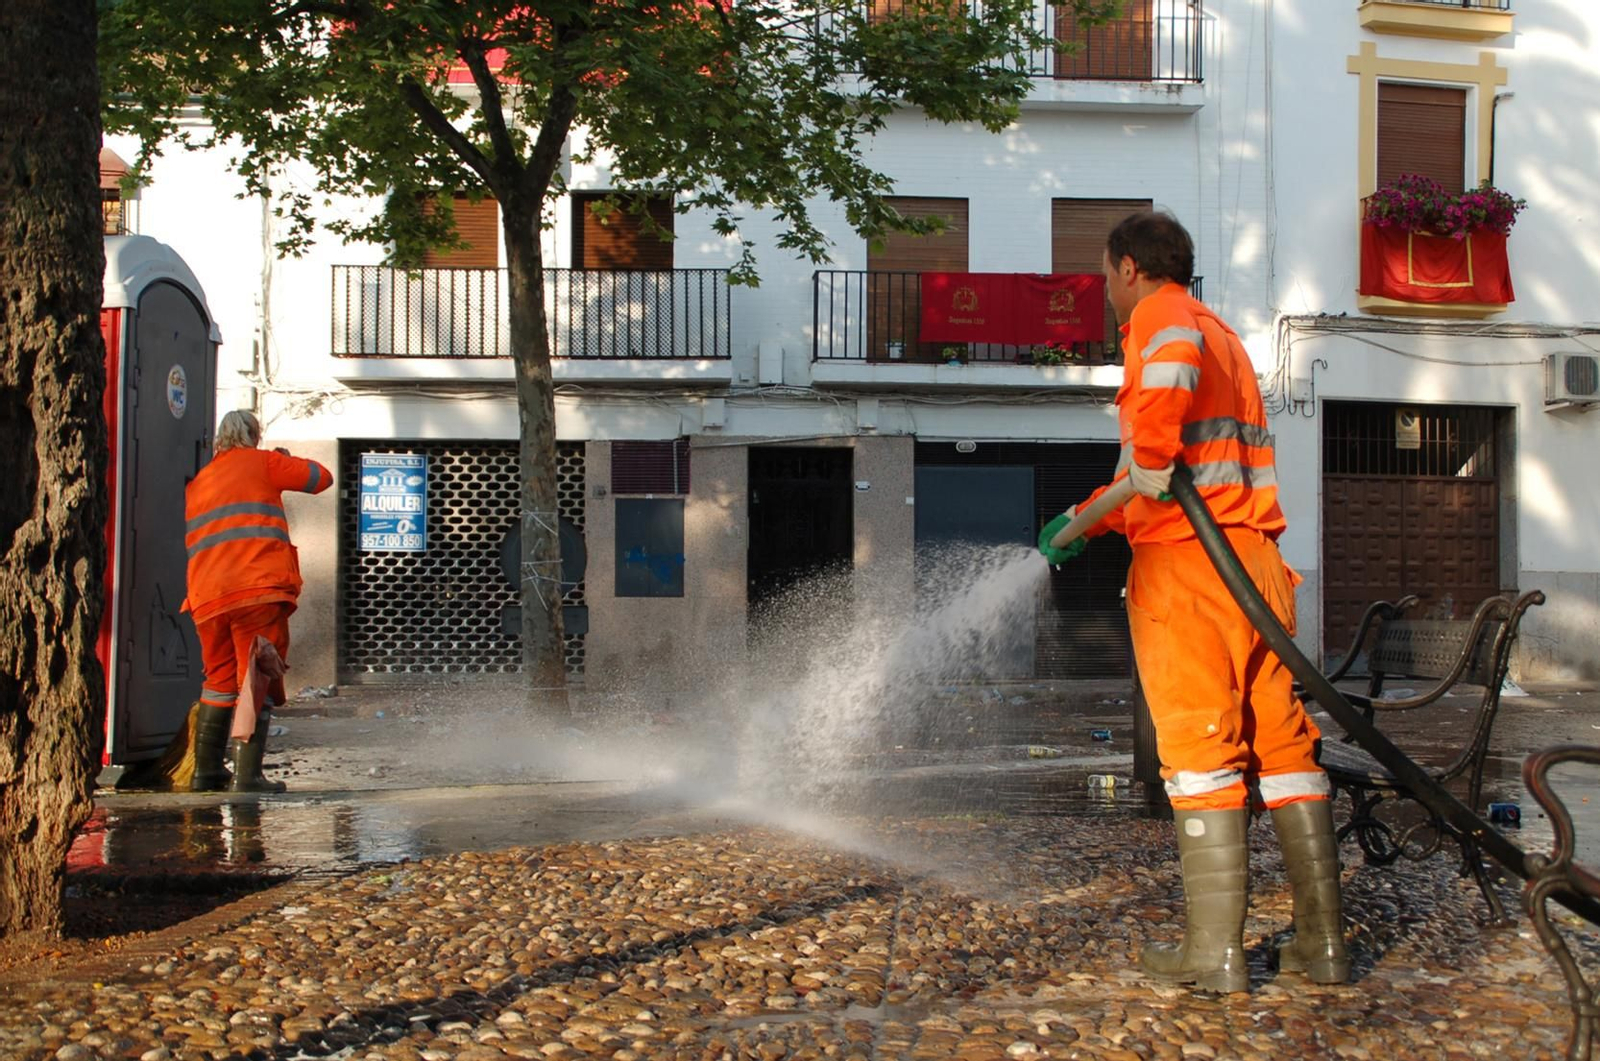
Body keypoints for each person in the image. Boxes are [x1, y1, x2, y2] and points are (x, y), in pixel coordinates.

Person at [1039, 211, 1347, 992]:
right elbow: (1171, 475)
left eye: (1106, 276)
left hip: (1191, 570)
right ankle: (1323, 944)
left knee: (1200, 749)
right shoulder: (1225, 336)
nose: (1108, 292)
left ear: (1129, 267)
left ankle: (1214, 953)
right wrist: (1088, 517)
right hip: (1255, 565)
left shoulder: (1162, 317)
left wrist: (1145, 455)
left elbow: (1157, 451)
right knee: (1284, 749)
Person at [181, 409, 331, 793]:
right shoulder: (264, 463)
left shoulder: (199, 482)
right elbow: (321, 478)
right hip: (256, 590)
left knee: (218, 681)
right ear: (253, 435)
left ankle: (206, 773)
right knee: (256, 676)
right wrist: (284, 459)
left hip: (206, 596)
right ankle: (247, 777)